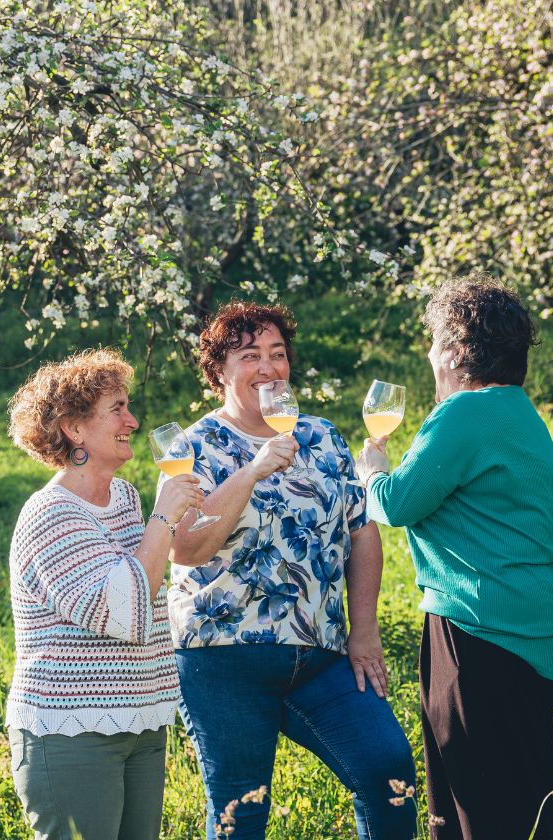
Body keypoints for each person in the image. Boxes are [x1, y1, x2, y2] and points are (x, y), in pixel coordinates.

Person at [165, 302, 418, 840]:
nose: (268, 367)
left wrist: (365, 629)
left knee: (387, 768)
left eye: (277, 354)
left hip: (321, 654)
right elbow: (184, 547)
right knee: (241, 811)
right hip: (223, 656)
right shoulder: (194, 446)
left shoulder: (323, 436)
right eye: (250, 355)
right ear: (218, 373)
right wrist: (252, 472)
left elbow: (362, 530)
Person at [354, 277, 553, 840]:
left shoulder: (464, 414)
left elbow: (396, 503)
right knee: (529, 808)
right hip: (546, 636)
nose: (430, 355)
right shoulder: (517, 412)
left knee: (471, 808)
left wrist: (370, 468)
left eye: (435, 342)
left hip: (483, 634)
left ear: (457, 352)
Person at [5, 348, 203, 840]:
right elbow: (126, 613)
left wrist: (173, 520)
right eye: (117, 409)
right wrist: (163, 519)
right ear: (74, 428)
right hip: (71, 731)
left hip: (141, 722)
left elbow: (151, 577)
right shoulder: (50, 515)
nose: (132, 420)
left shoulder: (125, 499)